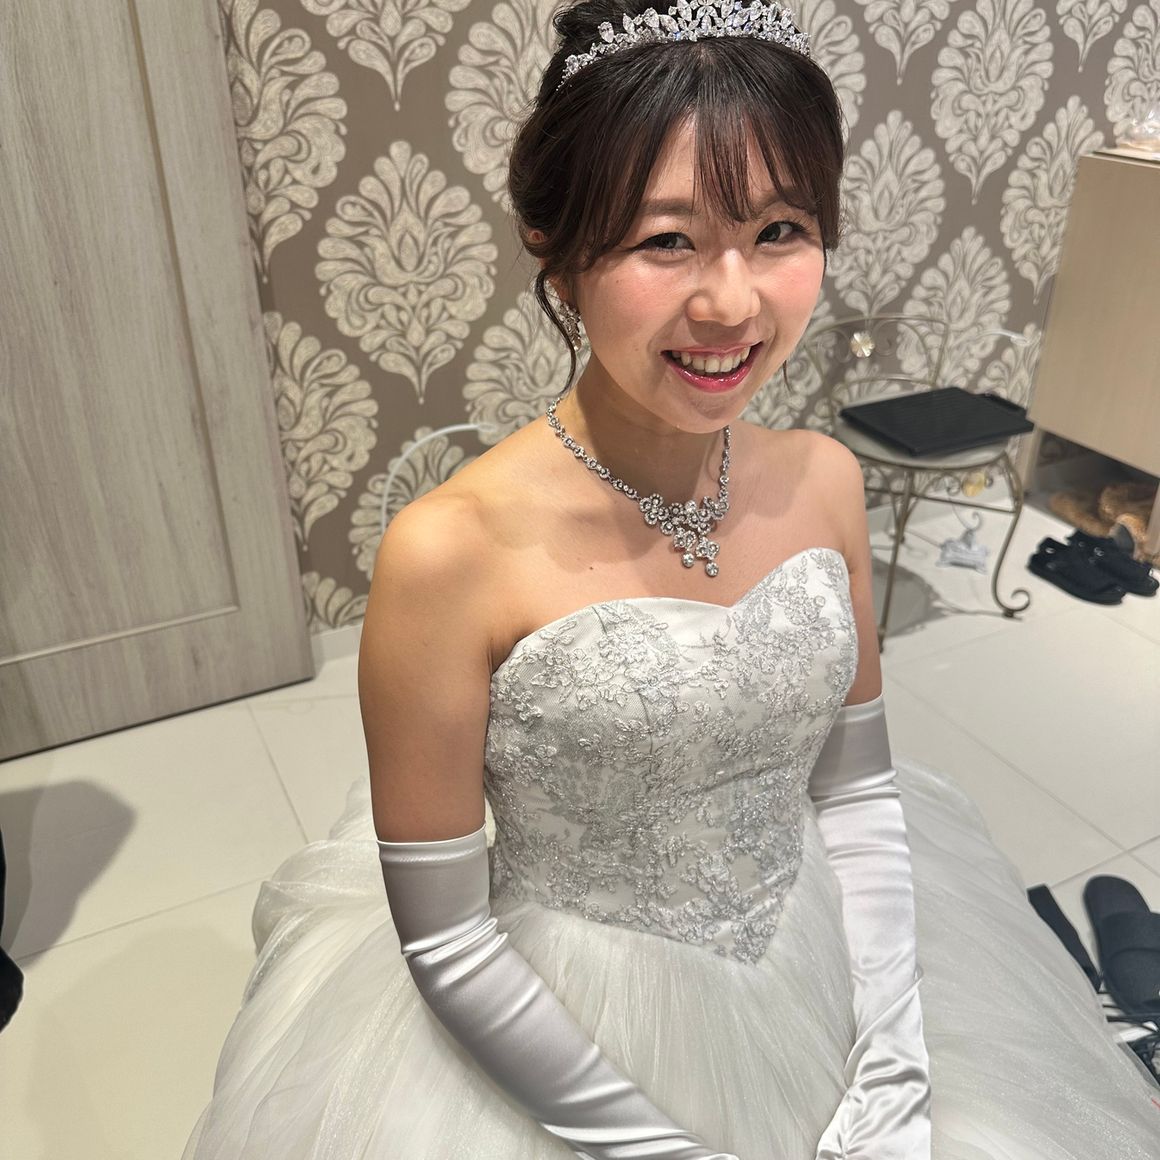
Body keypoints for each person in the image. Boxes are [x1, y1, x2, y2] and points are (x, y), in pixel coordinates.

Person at [184, 2, 1160, 1156]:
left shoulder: (824, 480)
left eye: (780, 228)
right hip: (565, 1018)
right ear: (555, 254)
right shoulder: (447, 553)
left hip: (820, 945)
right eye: (665, 241)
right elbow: (444, 937)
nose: (730, 302)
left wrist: (895, 1058)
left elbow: (853, 792)